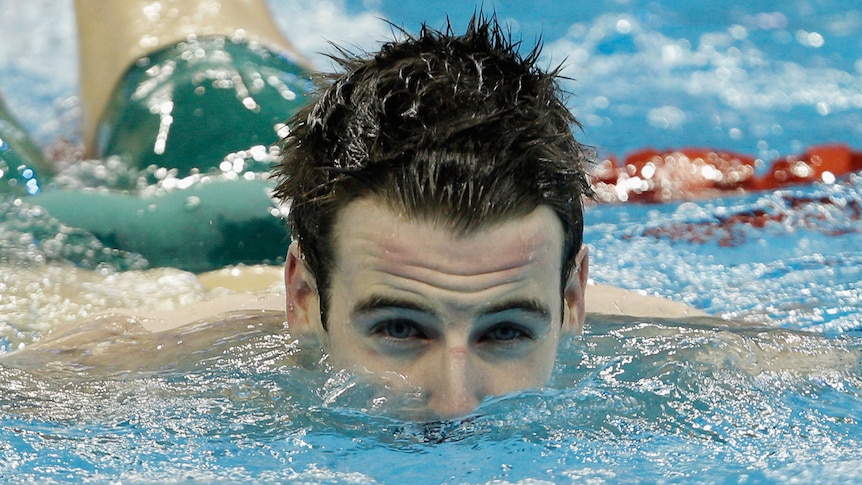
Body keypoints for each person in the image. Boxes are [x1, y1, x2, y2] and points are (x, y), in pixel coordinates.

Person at [4, 3, 707, 419]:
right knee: (200, 87)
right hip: (53, 242)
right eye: (400, 327)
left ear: (573, 298)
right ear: (302, 295)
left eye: (505, 332)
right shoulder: (139, 353)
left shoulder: (675, 346)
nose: (454, 402)